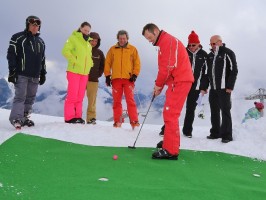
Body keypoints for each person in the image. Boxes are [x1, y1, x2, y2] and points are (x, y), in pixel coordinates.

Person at [142, 23, 194, 160]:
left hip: (180, 81)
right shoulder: (164, 42)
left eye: (149, 37)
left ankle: (171, 150)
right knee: (169, 112)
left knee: (171, 113)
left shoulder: (167, 41)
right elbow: (167, 69)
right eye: (147, 39)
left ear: (155, 31)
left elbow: (167, 68)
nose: (149, 40)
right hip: (176, 81)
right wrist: (159, 85)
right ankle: (169, 142)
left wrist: (158, 85)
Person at [158, 31, 208, 138]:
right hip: (182, 84)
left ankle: (187, 130)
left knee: (191, 109)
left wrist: (204, 87)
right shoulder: (184, 51)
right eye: (189, 45)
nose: (191, 47)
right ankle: (166, 128)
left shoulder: (204, 55)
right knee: (174, 108)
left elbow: (206, 73)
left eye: (193, 45)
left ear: (198, 44)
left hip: (196, 86)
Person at [7, 15, 47, 129]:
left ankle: (24, 117)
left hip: (34, 75)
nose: (35, 27)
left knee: (30, 98)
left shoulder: (41, 42)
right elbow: (11, 55)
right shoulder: (18, 38)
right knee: (20, 96)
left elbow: (42, 59)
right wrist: (12, 72)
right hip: (21, 73)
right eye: (32, 25)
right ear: (27, 25)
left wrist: (43, 73)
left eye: (37, 25)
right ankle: (16, 118)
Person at [104, 30, 141, 129]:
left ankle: (134, 121)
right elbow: (107, 63)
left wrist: (135, 75)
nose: (122, 40)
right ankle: (118, 121)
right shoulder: (112, 49)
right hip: (116, 79)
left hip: (128, 79)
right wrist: (107, 76)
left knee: (130, 100)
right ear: (118, 39)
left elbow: (137, 63)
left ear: (127, 38)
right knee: (116, 101)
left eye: (124, 38)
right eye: (120, 38)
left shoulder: (132, 49)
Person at [206, 35, 238, 143]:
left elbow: (234, 70)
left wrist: (230, 86)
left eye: (213, 43)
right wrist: (204, 87)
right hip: (213, 88)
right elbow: (207, 73)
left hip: (224, 88)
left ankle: (227, 135)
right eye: (210, 44)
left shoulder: (228, 53)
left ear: (220, 42)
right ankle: (215, 133)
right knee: (214, 111)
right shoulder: (210, 55)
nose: (212, 46)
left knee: (225, 110)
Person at [62, 22, 93, 124]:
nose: (87, 32)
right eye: (85, 30)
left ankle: (78, 116)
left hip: (84, 73)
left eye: (88, 31)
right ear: (81, 28)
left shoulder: (89, 43)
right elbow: (65, 51)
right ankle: (69, 117)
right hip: (74, 71)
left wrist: (90, 64)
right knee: (72, 95)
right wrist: (74, 60)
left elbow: (88, 57)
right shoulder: (73, 38)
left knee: (80, 96)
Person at [86, 32, 105, 124]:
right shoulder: (84, 49)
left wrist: (98, 74)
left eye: (96, 41)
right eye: (92, 40)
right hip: (81, 77)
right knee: (77, 98)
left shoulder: (99, 53)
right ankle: (75, 117)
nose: (93, 42)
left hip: (93, 80)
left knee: (92, 101)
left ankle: (91, 118)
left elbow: (103, 65)